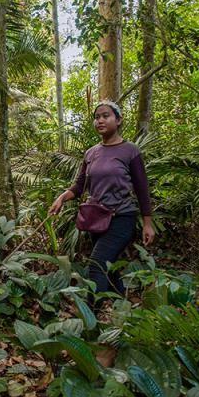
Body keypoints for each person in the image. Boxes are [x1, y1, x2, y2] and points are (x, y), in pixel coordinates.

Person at [48, 100, 154, 297]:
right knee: (110, 268)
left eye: (106, 116)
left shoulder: (130, 151)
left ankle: (92, 321)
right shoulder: (91, 153)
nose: (100, 121)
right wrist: (62, 198)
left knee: (96, 265)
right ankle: (124, 309)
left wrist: (147, 223)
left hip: (122, 217)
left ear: (119, 119)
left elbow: (142, 189)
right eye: (97, 117)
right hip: (97, 219)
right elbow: (80, 185)